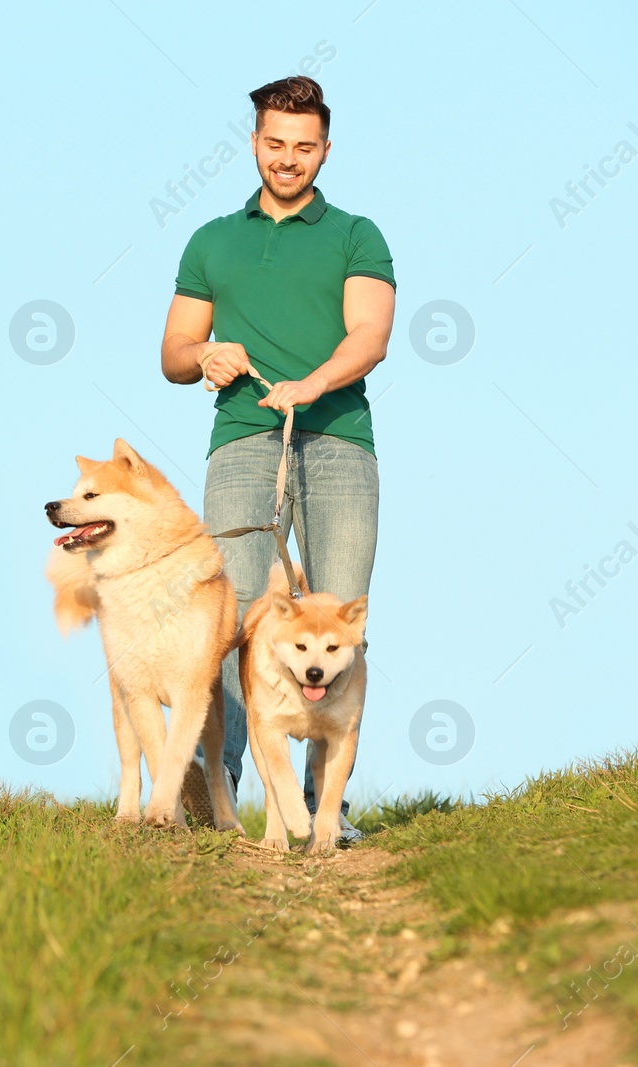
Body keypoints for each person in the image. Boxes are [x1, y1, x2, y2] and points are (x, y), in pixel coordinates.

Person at [160, 75, 395, 844]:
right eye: (274, 144)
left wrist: (313, 383)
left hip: (338, 444)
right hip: (240, 442)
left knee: (334, 615)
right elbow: (172, 353)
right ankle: (216, 789)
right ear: (255, 143)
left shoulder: (358, 235)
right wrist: (207, 355)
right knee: (233, 619)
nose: (287, 159)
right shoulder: (212, 240)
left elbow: (370, 337)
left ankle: (331, 805)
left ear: (325, 150)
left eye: (303, 146)